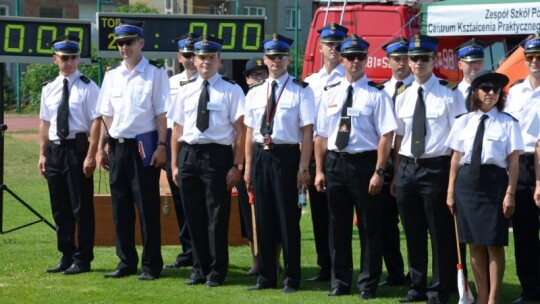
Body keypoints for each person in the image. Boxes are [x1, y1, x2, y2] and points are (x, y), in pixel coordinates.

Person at [314, 34, 396, 300]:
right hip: (336, 162)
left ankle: (367, 283)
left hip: (365, 164)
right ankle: (340, 281)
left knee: (369, 227)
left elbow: (386, 135)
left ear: (366, 59)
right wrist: (319, 170)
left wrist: (379, 171)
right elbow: (322, 135)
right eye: (350, 57)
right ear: (342, 59)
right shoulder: (330, 92)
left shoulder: (377, 94)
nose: (355, 61)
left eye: (360, 56)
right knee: (337, 226)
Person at [392, 34, 466, 304]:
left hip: (437, 168)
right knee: (412, 231)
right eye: (414, 58)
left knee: (440, 232)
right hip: (408, 168)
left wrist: (452, 180)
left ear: (434, 59)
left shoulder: (449, 92)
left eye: (424, 58)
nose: (418, 63)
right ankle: (417, 286)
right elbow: (399, 137)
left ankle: (438, 288)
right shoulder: (402, 94)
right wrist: (397, 173)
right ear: (408, 62)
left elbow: (459, 138)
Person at [167, 35, 246, 287]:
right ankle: (198, 269)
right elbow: (177, 129)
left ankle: (216, 270)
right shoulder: (185, 90)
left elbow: (241, 130)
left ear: (219, 60)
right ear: (194, 59)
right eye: (201, 57)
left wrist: (236, 165)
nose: (206, 62)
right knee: (194, 215)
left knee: (216, 216)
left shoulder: (231, 89)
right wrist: (175, 164)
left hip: (217, 156)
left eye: (211, 57)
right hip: (189, 154)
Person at [97, 19, 168, 281]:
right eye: (120, 43)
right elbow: (107, 114)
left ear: (141, 43)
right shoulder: (111, 76)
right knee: (120, 207)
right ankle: (126, 261)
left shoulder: (155, 73)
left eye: (129, 42)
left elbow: (162, 115)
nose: (124, 47)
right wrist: (103, 146)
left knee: (147, 207)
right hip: (118, 147)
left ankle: (151, 265)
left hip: (143, 146)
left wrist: (161, 146)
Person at [244, 33, 314, 293]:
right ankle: (266, 276)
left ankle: (292, 278)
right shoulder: (254, 93)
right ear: (265, 59)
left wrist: (303, 167)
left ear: (288, 59)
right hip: (261, 155)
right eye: (271, 56)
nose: (276, 61)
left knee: (287, 219)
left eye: (281, 56)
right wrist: (248, 167)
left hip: (286, 156)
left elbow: (307, 132)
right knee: (263, 219)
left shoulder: (300, 90)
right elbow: (249, 132)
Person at [446, 71, 521, 304]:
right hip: (467, 184)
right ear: (476, 92)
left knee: (494, 242)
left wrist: (510, 193)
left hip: (495, 184)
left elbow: (514, 162)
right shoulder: (463, 121)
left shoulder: (508, 123)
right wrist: (450, 191)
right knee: (474, 243)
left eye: (496, 90)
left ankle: (494, 299)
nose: (491, 93)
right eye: (486, 89)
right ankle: (482, 296)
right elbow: (456, 159)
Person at [38, 35, 100, 275]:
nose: (70, 62)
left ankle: (83, 258)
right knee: (60, 206)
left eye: (74, 57)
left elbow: (96, 122)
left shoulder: (88, 86)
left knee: (81, 206)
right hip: (55, 150)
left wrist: (91, 154)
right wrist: (42, 154)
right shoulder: (49, 88)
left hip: (77, 148)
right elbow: (45, 123)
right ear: (56, 59)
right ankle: (66, 254)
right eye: (65, 58)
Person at [303, 22, 348, 283]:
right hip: (314, 156)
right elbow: (307, 124)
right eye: (329, 44)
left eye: (338, 44)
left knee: (339, 215)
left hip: (339, 153)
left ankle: (340, 268)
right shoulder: (309, 83)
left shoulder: (348, 79)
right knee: (320, 214)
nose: (334, 48)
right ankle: (324, 265)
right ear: (320, 48)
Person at [504, 33, 540, 303]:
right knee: (525, 233)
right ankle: (530, 289)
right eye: (530, 57)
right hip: (522, 165)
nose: (535, 61)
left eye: (539, 57)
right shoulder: (514, 92)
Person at [378, 36, 412, 287]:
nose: (401, 64)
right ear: (387, 61)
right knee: (385, 222)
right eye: (396, 59)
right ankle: (395, 272)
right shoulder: (379, 90)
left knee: (414, 223)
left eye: (404, 58)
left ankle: (418, 273)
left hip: (410, 161)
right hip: (385, 161)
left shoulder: (418, 89)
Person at [164, 32, 199, 270]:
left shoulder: (214, 81)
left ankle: (202, 251)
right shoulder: (171, 82)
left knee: (199, 200)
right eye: (186, 55)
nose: (189, 59)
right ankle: (187, 249)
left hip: (199, 141)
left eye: (193, 55)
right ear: (179, 57)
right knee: (179, 198)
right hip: (174, 138)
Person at [237, 57, 269, 276]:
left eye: (262, 74)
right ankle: (256, 260)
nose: (258, 78)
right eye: (254, 75)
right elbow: (242, 134)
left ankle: (273, 262)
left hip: (270, 156)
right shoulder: (244, 98)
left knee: (270, 212)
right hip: (247, 160)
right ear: (246, 79)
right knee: (249, 215)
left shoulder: (274, 93)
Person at [456, 38, 486, 110]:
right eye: (471, 62)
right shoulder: (452, 92)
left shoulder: (492, 91)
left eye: (478, 61)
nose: (475, 65)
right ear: (460, 65)